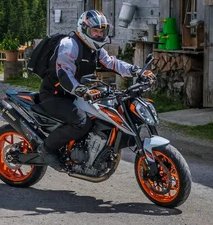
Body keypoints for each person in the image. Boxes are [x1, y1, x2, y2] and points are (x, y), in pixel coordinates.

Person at [37, 10, 156, 171]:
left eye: (102, 31)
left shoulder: (95, 49)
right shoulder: (69, 45)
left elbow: (112, 63)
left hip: (77, 95)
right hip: (55, 95)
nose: (99, 35)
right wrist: (81, 90)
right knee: (81, 122)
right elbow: (64, 73)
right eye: (95, 31)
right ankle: (47, 148)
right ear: (83, 29)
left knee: (106, 116)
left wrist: (137, 71)